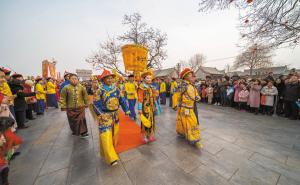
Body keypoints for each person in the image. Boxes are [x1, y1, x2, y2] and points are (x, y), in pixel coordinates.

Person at [92, 69, 130, 166]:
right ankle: (111, 158)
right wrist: (101, 114)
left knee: (114, 134)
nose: (109, 79)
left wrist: (126, 110)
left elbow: (122, 100)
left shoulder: (116, 89)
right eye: (107, 78)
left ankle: (108, 150)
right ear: (103, 80)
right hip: (104, 116)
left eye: (111, 78)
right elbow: (96, 104)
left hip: (115, 115)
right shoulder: (99, 90)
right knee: (106, 134)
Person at [172, 68, 203, 149]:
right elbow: (176, 95)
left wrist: (198, 97)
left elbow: (196, 95)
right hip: (184, 108)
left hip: (191, 108)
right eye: (189, 75)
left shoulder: (192, 85)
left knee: (191, 122)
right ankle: (195, 139)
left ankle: (190, 136)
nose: (192, 76)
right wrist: (175, 105)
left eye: (191, 75)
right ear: (185, 76)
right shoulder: (182, 86)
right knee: (190, 122)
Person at [137, 70, 157, 144]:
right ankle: (145, 136)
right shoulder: (141, 87)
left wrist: (156, 105)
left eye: (150, 78)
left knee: (151, 121)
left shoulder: (151, 87)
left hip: (151, 108)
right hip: (145, 108)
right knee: (146, 122)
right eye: (147, 78)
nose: (149, 79)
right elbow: (140, 99)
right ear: (144, 79)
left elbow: (154, 98)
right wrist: (139, 109)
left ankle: (150, 135)